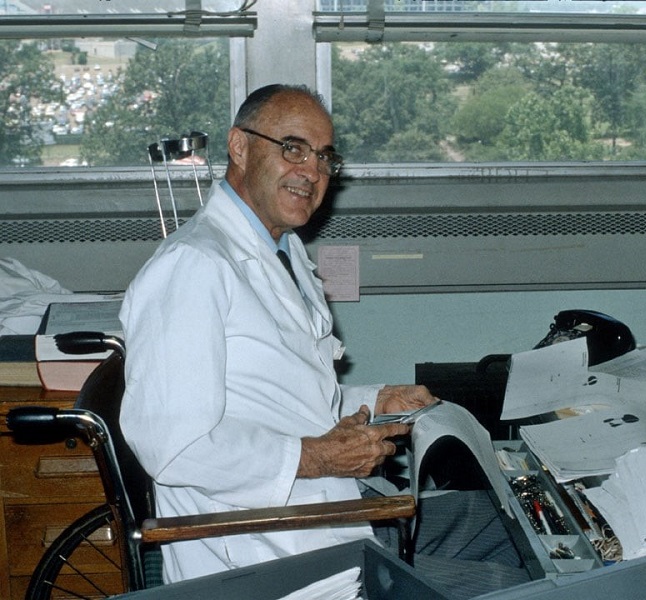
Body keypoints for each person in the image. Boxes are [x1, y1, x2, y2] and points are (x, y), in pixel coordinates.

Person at [119, 84, 529, 595]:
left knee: (500, 517)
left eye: (324, 157)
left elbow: (280, 396)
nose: (312, 171)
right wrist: (316, 457)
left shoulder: (283, 250)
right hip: (266, 557)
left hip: (321, 514)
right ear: (240, 147)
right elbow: (174, 448)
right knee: (517, 587)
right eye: (292, 147)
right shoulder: (193, 267)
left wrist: (372, 399)